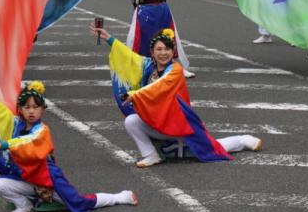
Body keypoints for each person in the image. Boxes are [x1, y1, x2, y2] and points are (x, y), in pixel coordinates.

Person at [91, 23, 261, 167]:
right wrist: (109, 38)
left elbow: (159, 86)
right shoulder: (148, 65)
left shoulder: (175, 70)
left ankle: (243, 139)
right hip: (157, 120)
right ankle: (151, 154)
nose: (163, 53)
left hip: (178, 123)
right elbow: (129, 57)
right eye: (159, 49)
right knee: (131, 121)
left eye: (167, 49)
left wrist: (134, 94)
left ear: (173, 52)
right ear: (152, 52)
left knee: (208, 147)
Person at [0, 81, 137, 212]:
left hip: (48, 180)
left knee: (79, 202)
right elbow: (2, 114)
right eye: (27, 107)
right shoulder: (17, 125)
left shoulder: (42, 130)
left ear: (42, 110)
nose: (31, 111)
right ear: (20, 110)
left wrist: (1, 145)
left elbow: (27, 141)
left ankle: (118, 197)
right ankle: (24, 204)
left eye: (35, 107)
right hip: (26, 178)